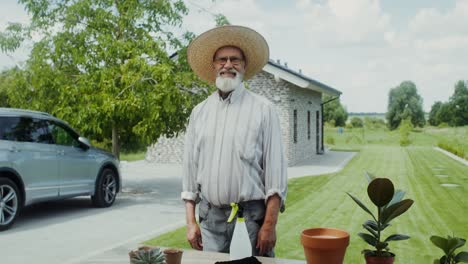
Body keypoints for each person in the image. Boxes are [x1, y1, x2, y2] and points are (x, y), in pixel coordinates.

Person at [181, 25, 287, 257]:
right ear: (214, 66)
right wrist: (190, 223)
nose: (228, 64)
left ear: (244, 66)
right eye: (222, 60)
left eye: (235, 60)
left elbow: (275, 177)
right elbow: (190, 174)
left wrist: (269, 226)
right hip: (211, 221)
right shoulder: (199, 113)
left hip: (251, 220)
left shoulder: (263, 110)